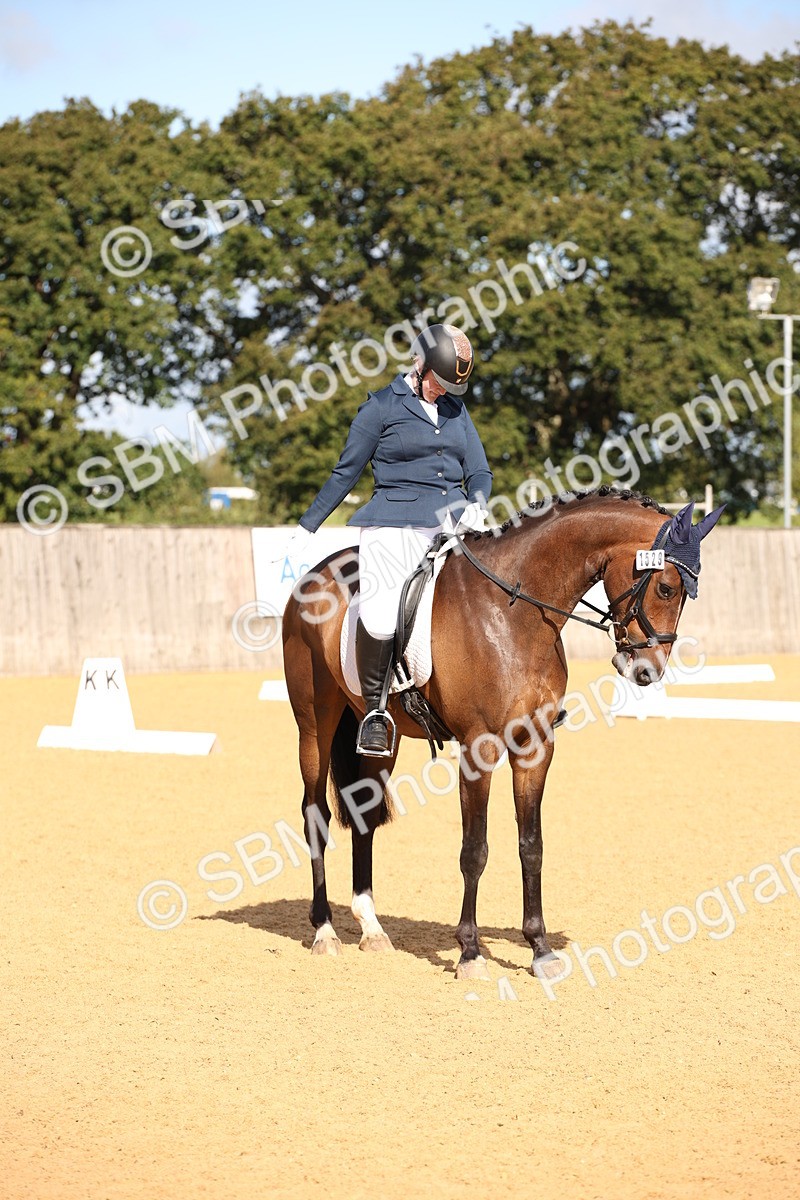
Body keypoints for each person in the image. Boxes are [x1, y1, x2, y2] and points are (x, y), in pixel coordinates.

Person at [285, 324, 493, 756]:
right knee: (380, 608)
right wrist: (307, 526)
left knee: (493, 588)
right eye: (440, 381)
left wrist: (477, 501)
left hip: (453, 524)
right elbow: (346, 472)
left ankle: (502, 698)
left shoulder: (456, 409)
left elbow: (480, 469)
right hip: (393, 525)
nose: (445, 391)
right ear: (420, 367)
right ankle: (377, 711)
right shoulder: (380, 408)